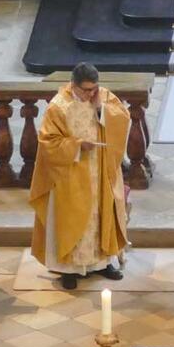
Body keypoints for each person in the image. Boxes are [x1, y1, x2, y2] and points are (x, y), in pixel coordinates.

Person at [29, 63, 129, 290]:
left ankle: (102, 263)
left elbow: (122, 118)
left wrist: (101, 109)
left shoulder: (102, 96)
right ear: (73, 85)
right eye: (86, 90)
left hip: (100, 170)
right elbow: (48, 143)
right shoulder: (58, 107)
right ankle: (68, 270)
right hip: (70, 175)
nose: (91, 94)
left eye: (94, 89)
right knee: (73, 221)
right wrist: (76, 146)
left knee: (100, 217)